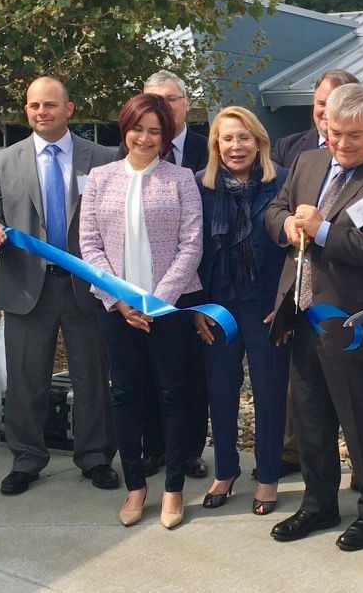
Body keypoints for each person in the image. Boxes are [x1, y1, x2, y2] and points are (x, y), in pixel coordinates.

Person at [263, 83, 363, 551]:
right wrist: (288, 225)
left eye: (355, 135)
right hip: (303, 313)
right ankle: (317, 503)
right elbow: (273, 210)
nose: (344, 144)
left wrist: (322, 229)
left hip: (357, 325)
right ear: (324, 126)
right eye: (335, 134)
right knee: (309, 416)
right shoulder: (308, 163)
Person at [0, 76, 118, 496]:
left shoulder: (103, 158)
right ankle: (25, 458)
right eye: (34, 106)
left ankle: (95, 457)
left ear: (69, 110)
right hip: (25, 287)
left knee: (92, 377)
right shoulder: (3, 161)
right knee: (25, 379)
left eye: (50, 105)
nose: (41, 113)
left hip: (85, 287)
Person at [80, 93, 203, 530]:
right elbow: (89, 245)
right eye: (138, 128)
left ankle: (172, 489)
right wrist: (121, 300)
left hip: (168, 310)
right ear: (124, 128)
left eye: (155, 130)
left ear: (165, 135)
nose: (145, 137)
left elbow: (191, 245)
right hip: (116, 310)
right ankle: (136, 486)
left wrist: (156, 301)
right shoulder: (99, 178)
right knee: (125, 395)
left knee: (173, 395)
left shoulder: (182, 179)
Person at [193, 106, 289, 515]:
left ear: (259, 142)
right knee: (221, 392)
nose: (236, 146)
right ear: (216, 144)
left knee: (269, 394)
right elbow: (192, 246)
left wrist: (287, 304)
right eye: (228, 138)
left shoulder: (282, 181)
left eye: (244, 137)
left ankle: (267, 477)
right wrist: (196, 307)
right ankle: (226, 470)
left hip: (266, 307)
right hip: (218, 305)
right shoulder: (201, 186)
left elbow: (296, 252)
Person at [116, 69, 210, 480]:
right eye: (153, 99)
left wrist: (166, 294)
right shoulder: (114, 166)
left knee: (188, 376)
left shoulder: (212, 152)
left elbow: (197, 237)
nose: (164, 106)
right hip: (131, 289)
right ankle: (152, 448)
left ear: (186, 103)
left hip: (194, 285)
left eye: (171, 99)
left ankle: (188, 451)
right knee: (143, 377)